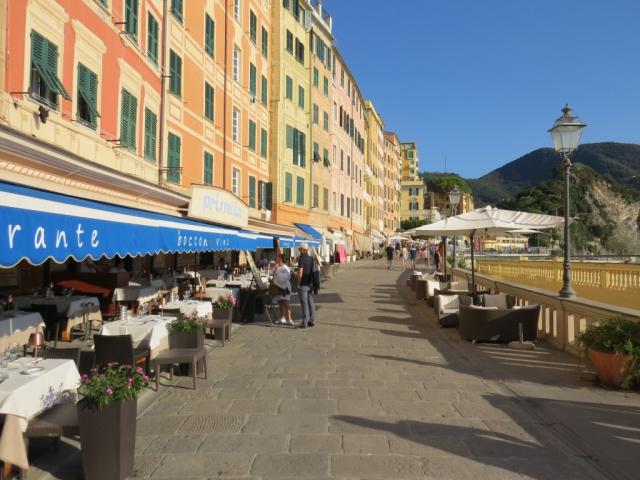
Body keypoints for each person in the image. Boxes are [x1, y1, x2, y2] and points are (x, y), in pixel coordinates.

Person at [296, 244, 316, 328]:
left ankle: (305, 321)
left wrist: (298, 283)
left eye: (300, 249)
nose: (299, 251)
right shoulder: (311, 258)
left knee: (304, 303)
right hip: (310, 284)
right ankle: (312, 320)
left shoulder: (301, 258)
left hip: (303, 283)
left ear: (303, 250)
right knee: (310, 302)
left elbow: (300, 273)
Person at [271, 255, 293, 326]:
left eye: (278, 258)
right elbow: (273, 275)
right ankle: (282, 318)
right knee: (280, 302)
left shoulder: (285, 268)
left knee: (285, 302)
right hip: (278, 287)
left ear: (281, 259)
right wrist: (275, 268)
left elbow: (287, 277)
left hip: (284, 287)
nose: (276, 259)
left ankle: (289, 319)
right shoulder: (277, 267)